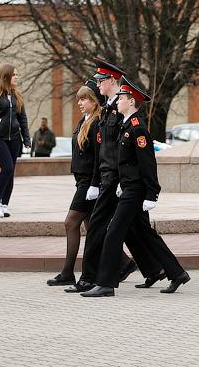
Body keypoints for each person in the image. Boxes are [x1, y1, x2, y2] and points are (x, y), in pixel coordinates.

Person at [81, 77, 190, 296]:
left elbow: (148, 163)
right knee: (146, 234)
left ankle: (106, 284)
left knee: (113, 233)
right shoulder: (126, 125)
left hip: (135, 191)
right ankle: (177, 273)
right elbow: (124, 162)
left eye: (121, 98)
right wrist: (121, 182)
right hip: (127, 187)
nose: (118, 101)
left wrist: (152, 193)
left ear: (131, 102)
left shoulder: (137, 128)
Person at [67, 58, 160, 293]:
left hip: (118, 180)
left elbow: (124, 151)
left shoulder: (121, 108)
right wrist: (96, 181)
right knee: (135, 229)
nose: (97, 85)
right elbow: (103, 149)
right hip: (108, 178)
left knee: (100, 226)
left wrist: (123, 182)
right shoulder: (110, 107)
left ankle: (90, 278)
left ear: (111, 80)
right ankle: (156, 269)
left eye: (101, 80)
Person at [47, 81, 103, 286]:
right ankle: (124, 263)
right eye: (79, 99)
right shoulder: (84, 120)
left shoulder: (97, 122)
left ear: (94, 101)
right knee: (92, 226)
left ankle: (68, 271)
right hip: (81, 180)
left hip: (89, 182)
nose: (80, 102)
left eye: (85, 99)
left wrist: (95, 184)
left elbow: (99, 157)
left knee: (70, 223)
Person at [0, 64, 31, 217]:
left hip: (15, 139)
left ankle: (4, 204)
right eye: (14, 74)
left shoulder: (17, 95)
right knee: (7, 169)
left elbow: (22, 118)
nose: (16, 77)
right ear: (6, 76)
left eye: (17, 74)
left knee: (11, 172)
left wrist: (27, 139)